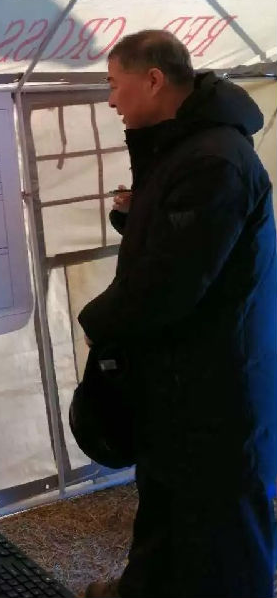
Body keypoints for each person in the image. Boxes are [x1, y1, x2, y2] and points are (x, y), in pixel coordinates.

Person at [79, 31, 277, 598]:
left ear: (154, 80)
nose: (111, 101)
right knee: (168, 502)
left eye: (114, 85)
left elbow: (171, 280)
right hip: (179, 372)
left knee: (225, 528)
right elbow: (182, 240)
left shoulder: (214, 159)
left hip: (220, 379)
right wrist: (136, 215)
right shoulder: (182, 148)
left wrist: (98, 322)